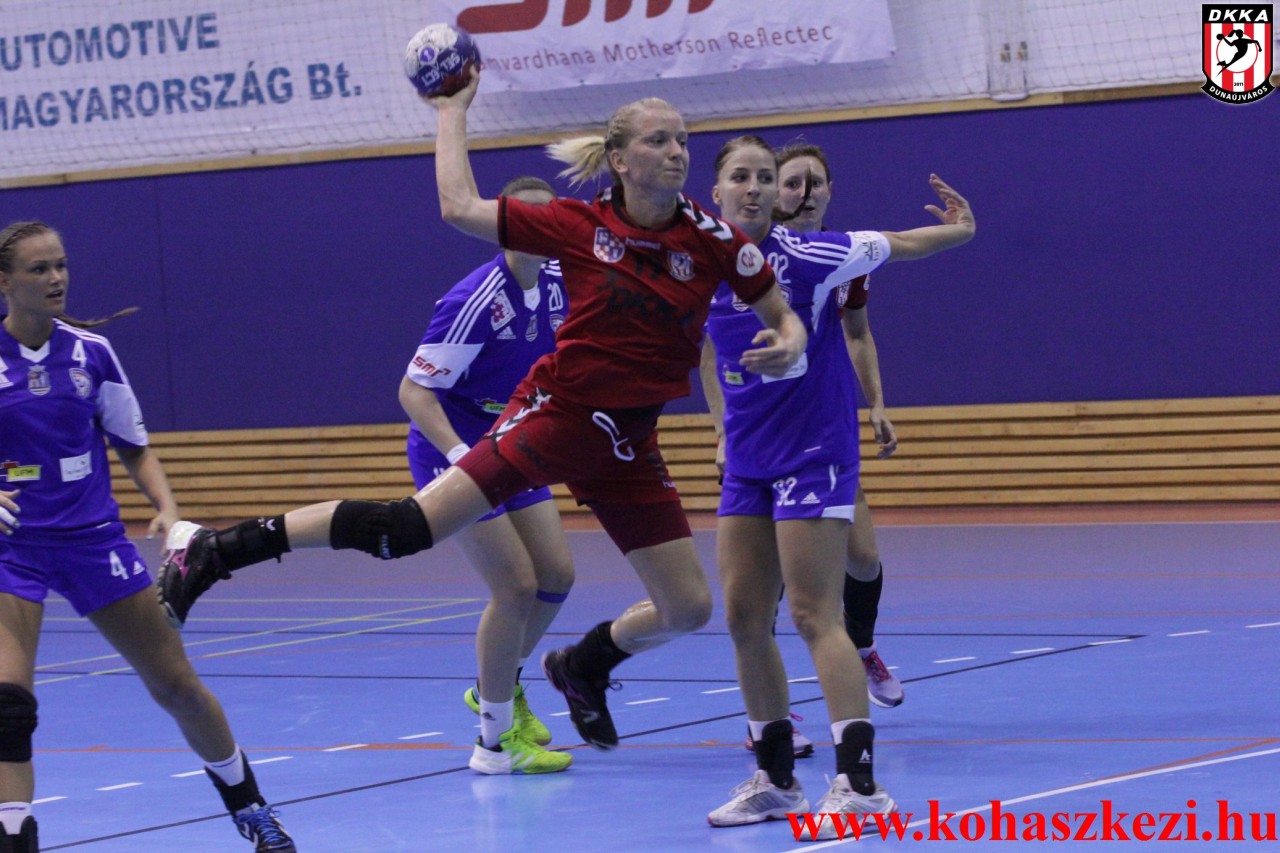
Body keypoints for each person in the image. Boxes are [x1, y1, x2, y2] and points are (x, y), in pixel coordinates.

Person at [156, 67, 808, 756]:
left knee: (688, 607)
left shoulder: (713, 240)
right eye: (658, 140)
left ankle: (584, 663)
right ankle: (218, 549)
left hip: (627, 443)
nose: (676, 151)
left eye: (682, 140)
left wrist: (787, 343)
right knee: (405, 530)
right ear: (619, 159)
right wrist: (452, 111)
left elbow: (782, 315)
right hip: (556, 416)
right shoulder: (577, 226)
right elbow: (459, 205)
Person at [697, 137, 974, 838]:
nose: (755, 187)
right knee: (743, 617)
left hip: (814, 451)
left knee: (814, 613)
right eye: (741, 177)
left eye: (765, 177)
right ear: (717, 192)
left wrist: (962, 229)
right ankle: (777, 780)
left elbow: (901, 243)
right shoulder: (694, 265)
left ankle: (859, 786)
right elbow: (699, 349)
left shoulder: (813, 255)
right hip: (749, 460)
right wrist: (722, 430)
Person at [0, 221, 294, 853]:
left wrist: (166, 508)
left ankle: (252, 808)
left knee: (177, 687)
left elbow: (134, 446)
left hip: (92, 542)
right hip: (12, 547)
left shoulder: (91, 354)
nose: (56, 278)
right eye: (39, 269)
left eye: (61, 265)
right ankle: (14, 836)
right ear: (5, 282)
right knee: (8, 706)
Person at [399, 175, 574, 775]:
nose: (540, 230)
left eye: (549, 219)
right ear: (504, 228)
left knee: (556, 576)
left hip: (512, 441)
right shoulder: (475, 300)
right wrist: (460, 456)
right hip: (453, 449)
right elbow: (414, 393)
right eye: (526, 219)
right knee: (516, 587)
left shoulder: (561, 283)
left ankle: (497, 687)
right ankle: (494, 745)